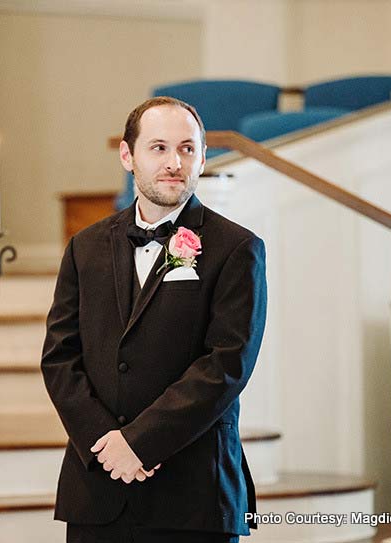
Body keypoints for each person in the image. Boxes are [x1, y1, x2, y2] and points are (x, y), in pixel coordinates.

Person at [41, 96, 267, 543]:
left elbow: (226, 366)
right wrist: (107, 444)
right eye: (159, 147)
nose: (174, 162)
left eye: (187, 148)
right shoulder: (84, 248)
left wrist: (140, 443)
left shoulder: (237, 248)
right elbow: (60, 358)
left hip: (195, 494)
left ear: (202, 157)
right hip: (97, 489)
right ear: (128, 156)